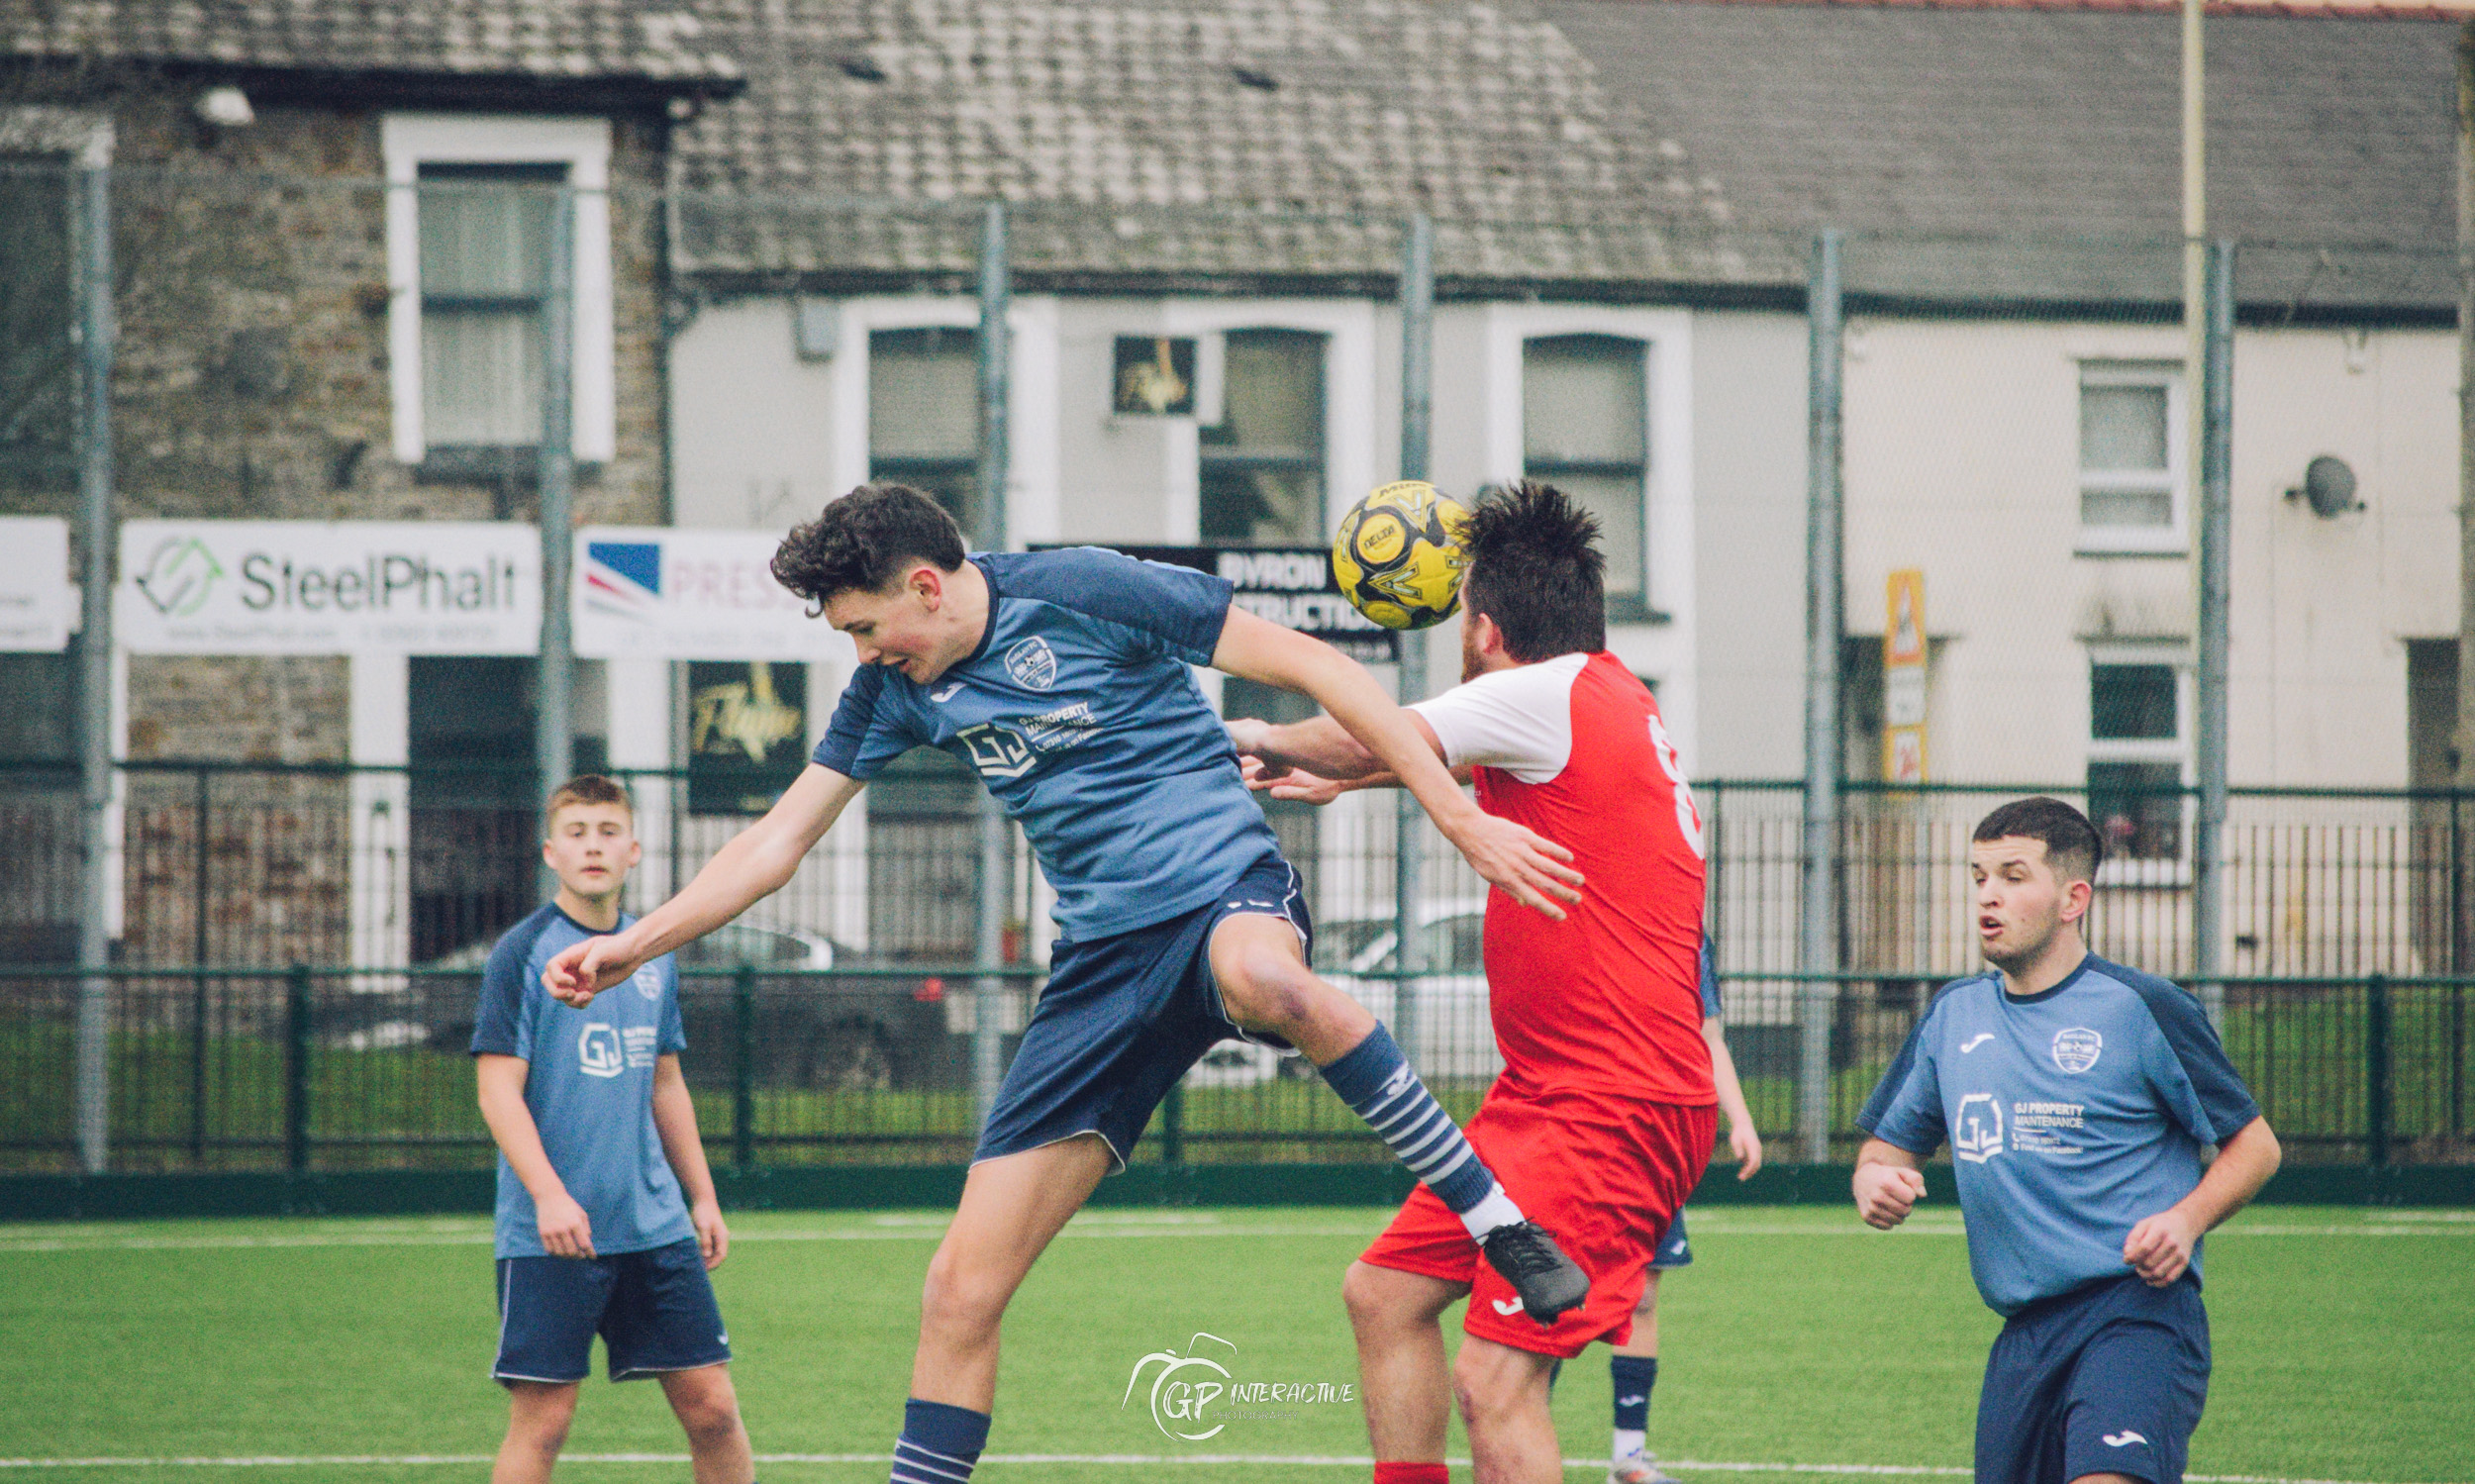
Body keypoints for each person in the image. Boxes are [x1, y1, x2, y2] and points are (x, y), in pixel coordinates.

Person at [538, 482, 1591, 1484]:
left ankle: (1499, 1222)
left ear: (925, 586)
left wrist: (1456, 815)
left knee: (1271, 978)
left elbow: (1319, 665)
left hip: (1223, 890)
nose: (862, 653)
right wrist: (640, 942)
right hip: (1097, 968)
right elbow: (775, 841)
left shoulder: (1085, 588)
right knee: (958, 1289)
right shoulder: (893, 693)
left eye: (865, 627)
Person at [1234, 481, 1716, 1484]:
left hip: (1609, 1101)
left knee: (1495, 1381)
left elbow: (1376, 730)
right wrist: (1357, 773)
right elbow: (1416, 751)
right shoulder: (1599, 694)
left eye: (1459, 618)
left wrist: (1264, 734)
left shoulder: (1548, 691)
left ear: (1487, 627)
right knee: (1384, 1294)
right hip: (1548, 1096)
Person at [1852, 797, 2282, 1484]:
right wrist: (1874, 1181)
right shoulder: (1952, 1015)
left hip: (2135, 1311)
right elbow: (1881, 1153)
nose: (1988, 896)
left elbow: (2256, 1144)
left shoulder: (2141, 1006)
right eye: (1979, 876)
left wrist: (2186, 1217)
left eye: (2013, 876)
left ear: (2072, 897)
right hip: (2023, 1334)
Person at [470, 775, 754, 1484]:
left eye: (606, 831)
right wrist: (548, 1195)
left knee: (714, 1409)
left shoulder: (652, 951)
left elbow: (666, 1082)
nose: (591, 845)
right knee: (545, 1421)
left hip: (653, 1224)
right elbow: (496, 1089)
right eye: (576, 832)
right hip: (553, 1230)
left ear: (633, 850)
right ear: (550, 852)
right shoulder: (522, 952)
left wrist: (704, 1196)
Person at [1605, 930, 1762, 1484]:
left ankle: (1628, 1458)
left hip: (1654, 1138)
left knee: (1643, 1297)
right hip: (1588, 1127)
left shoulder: (1688, 932)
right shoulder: (1586, 909)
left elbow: (1708, 1036)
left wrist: (1739, 1119)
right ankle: (1522, 1437)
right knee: (1558, 1294)